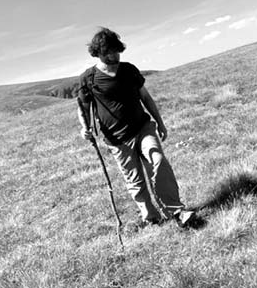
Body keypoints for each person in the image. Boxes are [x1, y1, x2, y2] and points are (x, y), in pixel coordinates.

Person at [76, 27, 195, 228]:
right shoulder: (88, 79)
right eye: (109, 53)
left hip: (143, 128)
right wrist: (84, 128)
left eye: (117, 51)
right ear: (98, 53)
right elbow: (83, 108)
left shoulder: (129, 70)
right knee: (135, 180)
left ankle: (176, 211)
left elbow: (145, 97)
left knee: (158, 160)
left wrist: (160, 122)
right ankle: (151, 218)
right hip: (117, 139)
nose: (115, 56)